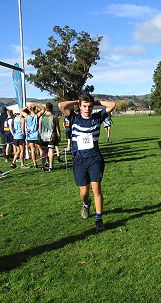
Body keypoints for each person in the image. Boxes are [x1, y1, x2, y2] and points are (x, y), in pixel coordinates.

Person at [58, 94, 116, 232]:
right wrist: (77, 101)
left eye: (90, 106)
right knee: (84, 192)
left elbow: (112, 105)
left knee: (96, 189)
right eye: (84, 106)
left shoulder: (97, 117)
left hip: (95, 158)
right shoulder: (74, 117)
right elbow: (61, 105)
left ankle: (99, 219)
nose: (87, 109)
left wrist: (95, 102)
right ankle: (86, 204)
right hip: (79, 160)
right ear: (80, 106)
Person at [21, 103, 45, 168]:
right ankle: (43, 163)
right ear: (35, 109)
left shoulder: (27, 116)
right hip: (36, 135)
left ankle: (35, 163)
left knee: (32, 149)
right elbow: (43, 109)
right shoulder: (37, 116)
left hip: (29, 135)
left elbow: (21, 111)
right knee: (40, 148)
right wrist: (37, 104)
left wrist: (27, 107)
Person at [39, 103, 61, 171]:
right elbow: (57, 128)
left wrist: (40, 136)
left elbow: (39, 129)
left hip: (43, 137)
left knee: (44, 151)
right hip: (52, 136)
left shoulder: (41, 117)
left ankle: (43, 166)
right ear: (52, 108)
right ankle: (50, 166)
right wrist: (59, 135)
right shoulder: (54, 117)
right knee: (51, 151)